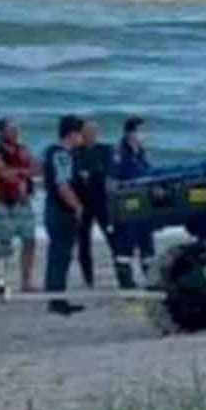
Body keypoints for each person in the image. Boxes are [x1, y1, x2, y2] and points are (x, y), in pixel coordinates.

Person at [0, 118, 38, 292]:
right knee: (4, 246)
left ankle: (26, 281)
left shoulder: (23, 150)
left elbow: (36, 169)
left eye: (16, 129)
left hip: (23, 202)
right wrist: (24, 172)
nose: (15, 133)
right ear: (1, 133)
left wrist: (19, 172)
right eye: (10, 130)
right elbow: (5, 174)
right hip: (4, 204)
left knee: (29, 241)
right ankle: (0, 282)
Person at [42, 115, 87, 316]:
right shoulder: (62, 155)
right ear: (72, 134)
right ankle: (56, 298)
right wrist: (77, 206)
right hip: (61, 211)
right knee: (61, 254)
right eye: (80, 134)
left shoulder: (51, 152)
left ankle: (55, 296)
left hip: (54, 209)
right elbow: (62, 184)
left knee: (58, 254)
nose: (82, 139)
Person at [74, 119, 120, 289]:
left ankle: (122, 273)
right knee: (83, 242)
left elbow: (111, 171)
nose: (90, 135)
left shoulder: (105, 150)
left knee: (112, 238)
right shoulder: (76, 152)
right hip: (82, 202)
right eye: (87, 132)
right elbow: (73, 174)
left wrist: (93, 174)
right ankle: (88, 279)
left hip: (101, 201)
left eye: (93, 132)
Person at [112, 115, 155, 285]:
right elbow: (114, 181)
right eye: (140, 131)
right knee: (126, 243)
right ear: (130, 133)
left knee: (146, 241)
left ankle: (150, 276)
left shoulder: (141, 152)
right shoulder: (120, 153)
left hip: (144, 203)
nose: (143, 135)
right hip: (127, 204)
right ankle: (125, 279)